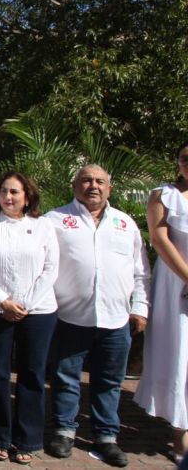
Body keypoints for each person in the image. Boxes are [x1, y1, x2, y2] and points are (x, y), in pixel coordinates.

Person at [45, 164, 150, 468]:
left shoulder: (125, 224)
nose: (93, 186)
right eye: (87, 180)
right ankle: (64, 430)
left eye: (100, 181)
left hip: (116, 319)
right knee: (65, 377)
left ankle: (106, 436)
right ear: (75, 185)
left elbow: (142, 272)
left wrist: (140, 308)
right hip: (69, 317)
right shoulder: (56, 220)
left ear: (109, 188)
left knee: (109, 381)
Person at [0, 172, 58, 464]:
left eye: (14, 192)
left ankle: (28, 439)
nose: (8, 197)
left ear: (27, 196)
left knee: (32, 375)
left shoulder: (43, 226)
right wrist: (3, 301)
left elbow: (51, 268)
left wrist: (25, 303)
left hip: (38, 311)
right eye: (3, 192)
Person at [134, 141, 188, 462]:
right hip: (176, 285)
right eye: (184, 158)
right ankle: (180, 433)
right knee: (181, 355)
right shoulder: (163, 195)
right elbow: (158, 238)